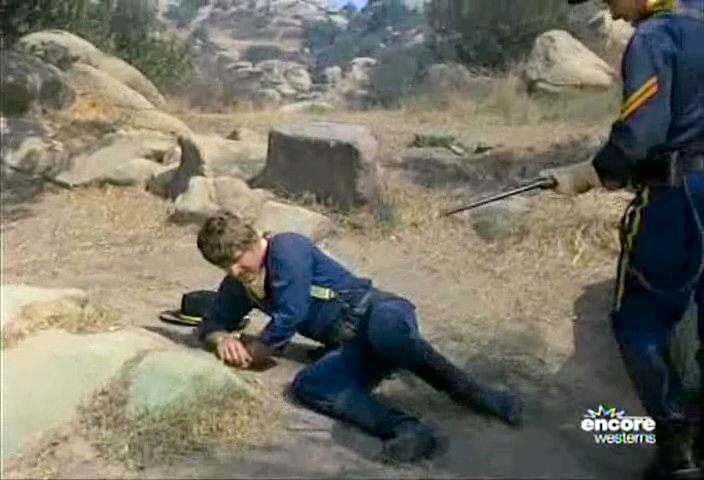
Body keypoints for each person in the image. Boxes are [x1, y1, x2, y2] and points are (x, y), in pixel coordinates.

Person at [194, 211, 525, 463]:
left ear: (252, 242)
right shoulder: (240, 284)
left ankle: (477, 395)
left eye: (236, 262)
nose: (233, 272)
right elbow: (211, 324)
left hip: (377, 311)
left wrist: (261, 346)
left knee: (387, 334)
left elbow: (291, 312)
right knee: (310, 385)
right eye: (224, 267)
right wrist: (222, 339)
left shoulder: (286, 248)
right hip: (352, 345)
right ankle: (407, 429)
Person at [546, 1, 704, 478]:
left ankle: (677, 446)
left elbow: (641, 133)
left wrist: (589, 173)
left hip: (680, 200)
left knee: (639, 321)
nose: (612, 12)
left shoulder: (656, 37)